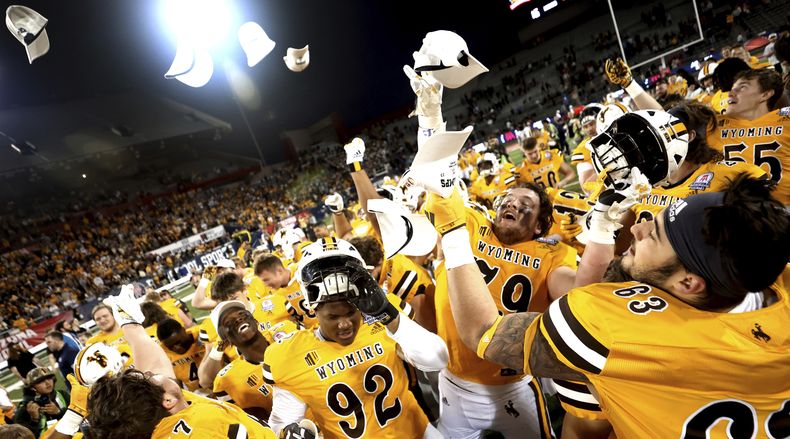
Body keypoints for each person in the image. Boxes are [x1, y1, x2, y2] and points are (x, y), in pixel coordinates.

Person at [422, 161, 789, 437]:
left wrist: (452, 233)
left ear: (689, 283)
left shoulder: (609, 324)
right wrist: (601, 226)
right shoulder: (777, 287)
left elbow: (484, 331)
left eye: (654, 236)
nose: (637, 228)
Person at [262, 237, 449, 437]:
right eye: (332, 317)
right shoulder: (291, 355)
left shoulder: (382, 319)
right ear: (313, 310)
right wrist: (290, 431)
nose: (344, 324)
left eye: (351, 313)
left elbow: (437, 360)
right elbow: (283, 422)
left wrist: (387, 313)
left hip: (416, 432)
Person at [87, 285, 277, 438]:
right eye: (147, 378)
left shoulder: (160, 414)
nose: (150, 372)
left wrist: (130, 325)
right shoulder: (202, 424)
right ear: (167, 400)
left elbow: (153, 363)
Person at [13, 367, 70, 438]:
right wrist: (34, 420)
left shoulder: (62, 394)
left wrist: (58, 412)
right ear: (32, 388)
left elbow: (78, 416)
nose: (47, 383)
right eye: (41, 381)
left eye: (49, 378)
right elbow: (22, 436)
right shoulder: (25, 407)